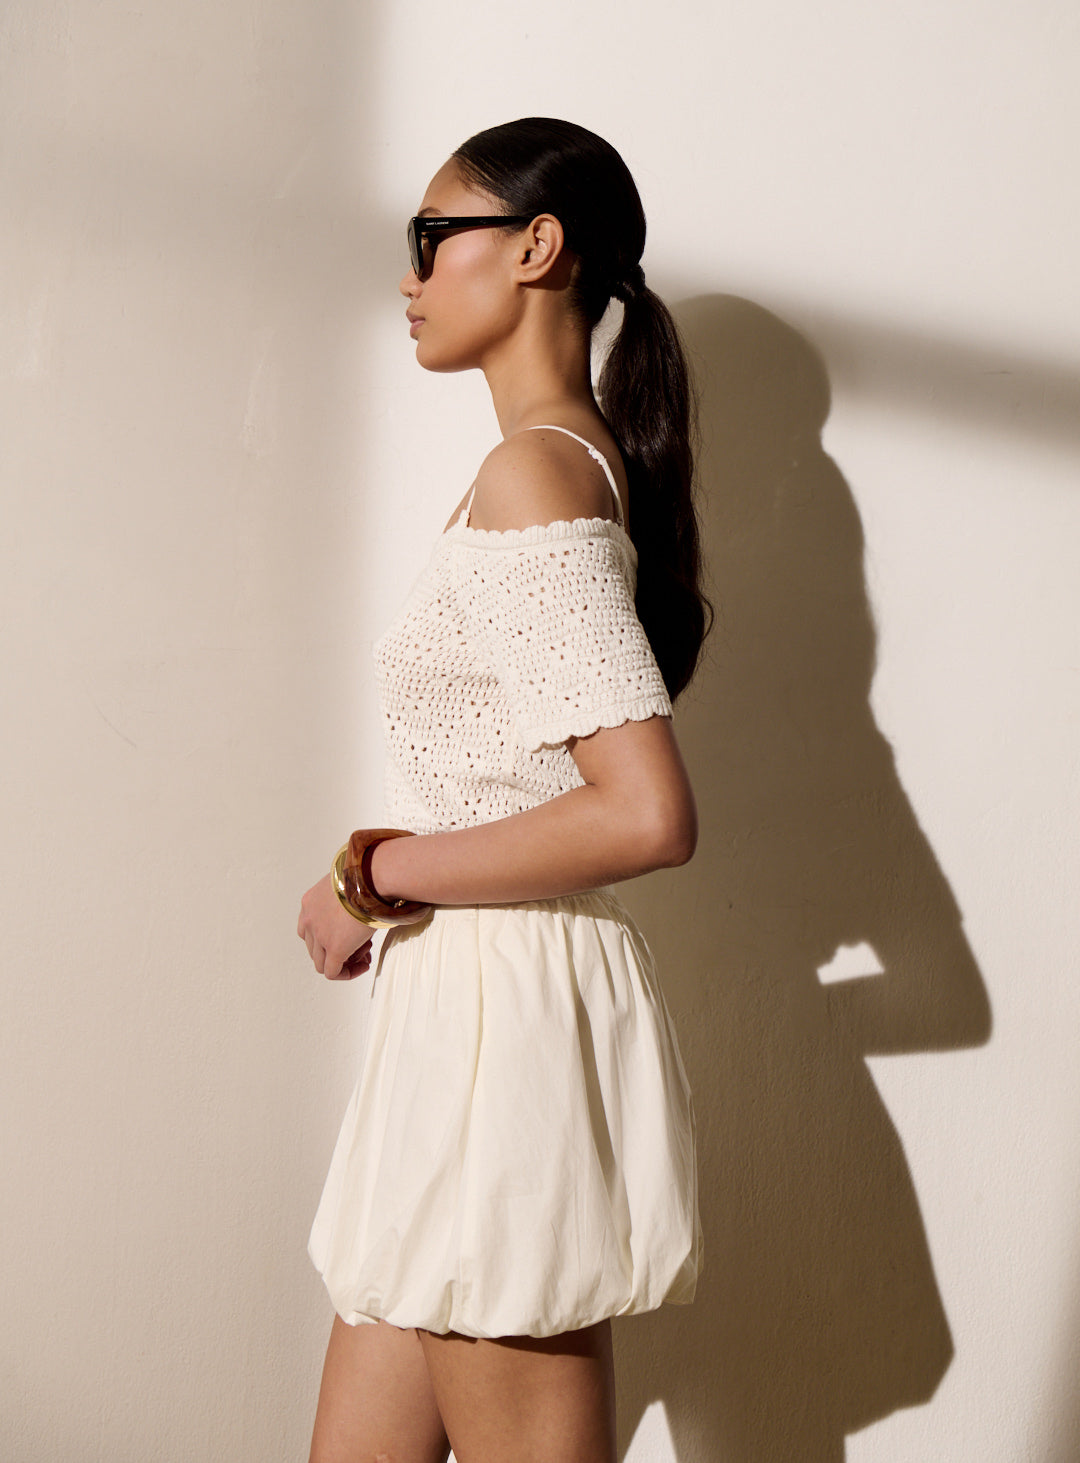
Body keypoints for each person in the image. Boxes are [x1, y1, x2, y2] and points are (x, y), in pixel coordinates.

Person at [297, 117, 711, 1463]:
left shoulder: (534, 472)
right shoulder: (548, 465)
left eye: (433, 238)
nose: (409, 276)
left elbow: (644, 812)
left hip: (503, 1021)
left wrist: (373, 874)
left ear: (537, 247)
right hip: (467, 1012)